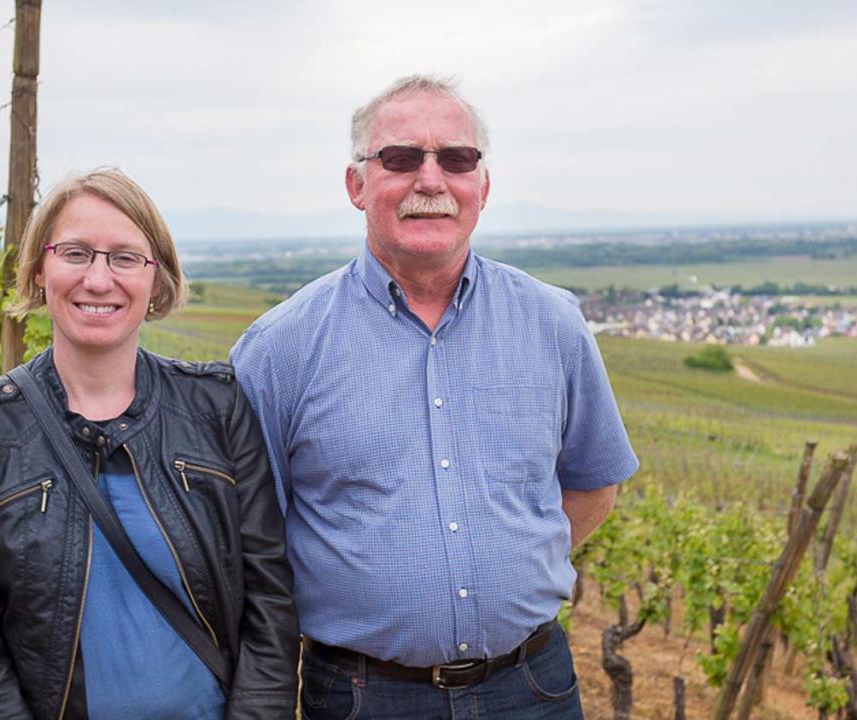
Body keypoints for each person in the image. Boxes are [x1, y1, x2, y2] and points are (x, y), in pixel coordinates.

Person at [230, 76, 639, 719]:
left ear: (483, 186)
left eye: (455, 158)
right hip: (364, 697)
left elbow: (594, 486)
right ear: (356, 185)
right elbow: (253, 541)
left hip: (532, 688)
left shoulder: (553, 324)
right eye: (399, 158)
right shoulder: (279, 349)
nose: (430, 179)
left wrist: (514, 563)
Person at [0, 168, 298, 720]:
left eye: (125, 257)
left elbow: (270, 603)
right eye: (75, 253)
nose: (99, 280)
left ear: (157, 281)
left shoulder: (217, 408)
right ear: (38, 270)